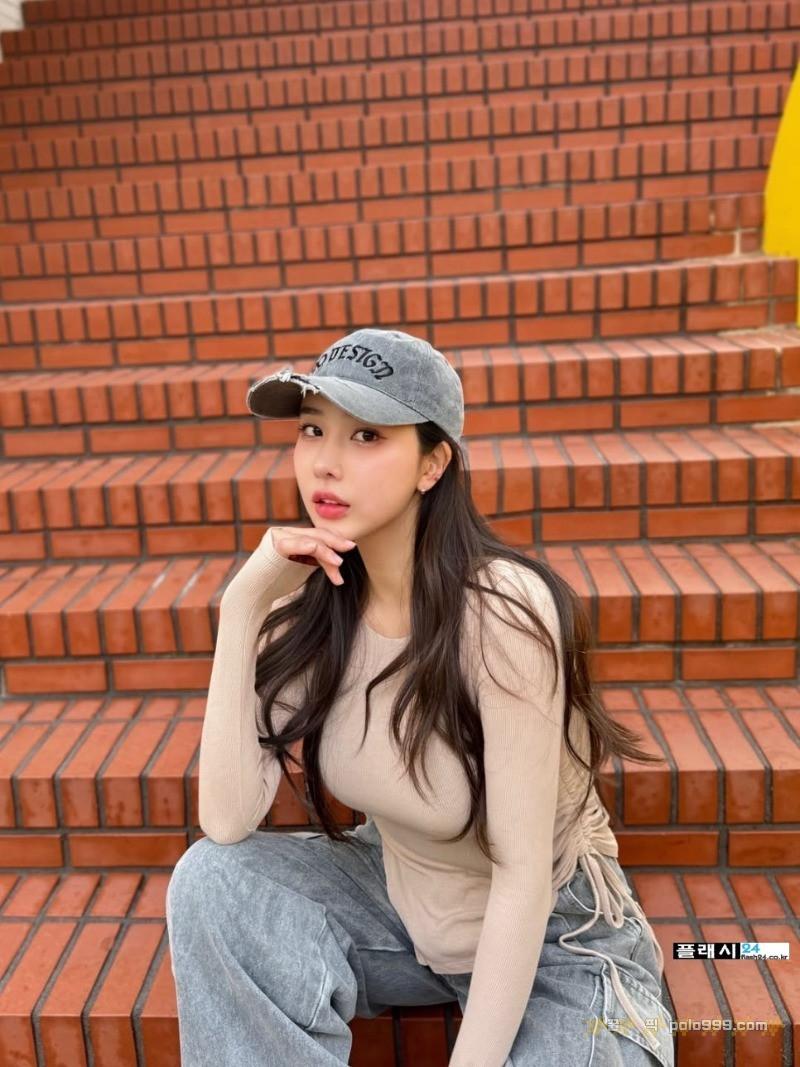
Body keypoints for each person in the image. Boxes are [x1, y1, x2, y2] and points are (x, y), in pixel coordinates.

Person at [165, 328, 676, 1067]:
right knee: (212, 880)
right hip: (403, 909)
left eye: (367, 435)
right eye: (312, 430)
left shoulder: (504, 613)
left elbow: (522, 876)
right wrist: (242, 610)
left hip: (555, 938)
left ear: (433, 464)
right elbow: (225, 819)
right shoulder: (308, 611)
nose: (326, 462)